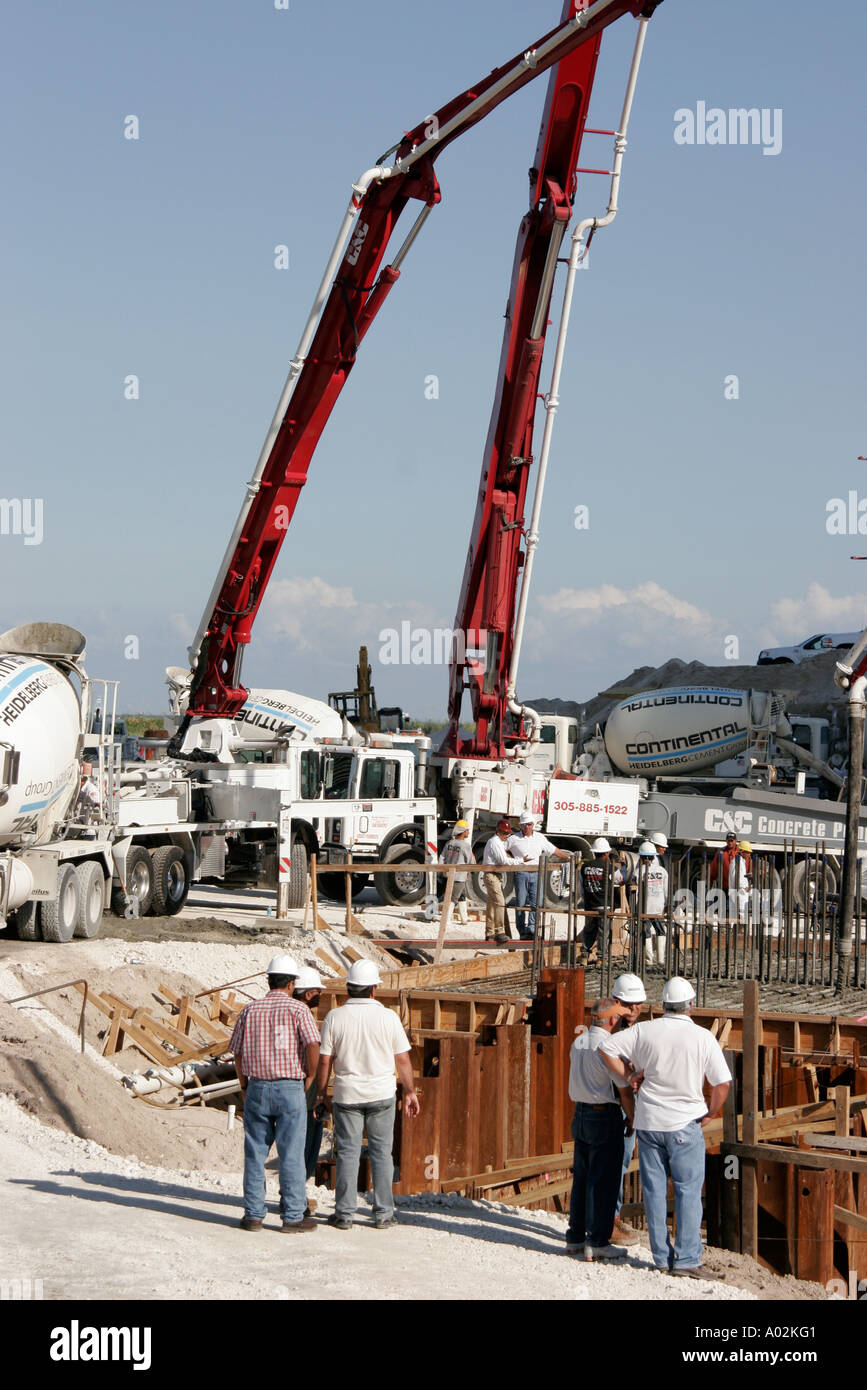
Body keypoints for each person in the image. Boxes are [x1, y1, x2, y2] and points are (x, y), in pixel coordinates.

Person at [597, 976, 732, 1278]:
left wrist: (628, 1076)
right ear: (690, 1006)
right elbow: (722, 1084)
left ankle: (661, 1258)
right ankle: (686, 1260)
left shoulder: (645, 1030)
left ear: (663, 1007)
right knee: (687, 1192)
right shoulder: (701, 1037)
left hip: (649, 1124)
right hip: (684, 1125)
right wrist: (712, 1111)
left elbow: (605, 1048)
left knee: (654, 1192)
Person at [316, 959, 420, 1230]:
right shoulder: (388, 1017)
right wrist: (410, 1091)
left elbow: (325, 1060)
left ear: (349, 988)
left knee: (348, 1153)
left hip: (347, 1095)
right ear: (374, 989)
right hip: (381, 1094)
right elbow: (404, 1060)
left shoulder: (334, 1017)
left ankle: (344, 1214)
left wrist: (320, 1093)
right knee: (382, 1154)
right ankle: (384, 1213)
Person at [229, 953, 320, 1233]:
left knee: (255, 1152)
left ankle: (254, 1215)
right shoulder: (299, 1010)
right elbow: (312, 1045)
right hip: (290, 1087)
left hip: (257, 1086)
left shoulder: (249, 1010)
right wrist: (311, 1075)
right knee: (291, 1152)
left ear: (269, 981)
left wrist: (245, 1085)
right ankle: (292, 1217)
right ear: (292, 984)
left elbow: (237, 1054)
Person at [566, 997, 635, 1261]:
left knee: (582, 1177)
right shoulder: (607, 1046)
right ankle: (597, 1241)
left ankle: (575, 1237)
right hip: (603, 1115)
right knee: (603, 1180)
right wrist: (631, 1118)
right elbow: (624, 1089)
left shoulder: (579, 1041)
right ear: (611, 1020)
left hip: (580, 1113)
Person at [607, 973, 646, 1248]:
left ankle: (612, 1217)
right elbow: (621, 1083)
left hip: (627, 1108)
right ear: (617, 1002)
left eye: (637, 1005)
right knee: (612, 1164)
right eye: (629, 1005)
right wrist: (632, 1114)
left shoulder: (639, 1034)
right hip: (614, 1108)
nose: (633, 1010)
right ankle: (609, 1221)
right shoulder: (609, 1034)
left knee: (619, 1164)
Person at [506, 811, 572, 941]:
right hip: (521, 874)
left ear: (533, 824)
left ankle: (532, 929)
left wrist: (570, 858)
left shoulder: (540, 838)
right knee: (520, 903)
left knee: (537, 903)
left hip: (536, 874)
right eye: (524, 824)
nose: (526, 827)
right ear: (521, 825)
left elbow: (554, 850)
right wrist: (512, 860)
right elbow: (501, 849)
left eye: (529, 824)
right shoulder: (513, 838)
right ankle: (522, 931)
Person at [293, 966, 325, 1207]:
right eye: (316, 992)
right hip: (304, 1086)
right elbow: (313, 1050)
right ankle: (295, 1195)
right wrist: (315, 1081)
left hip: (285, 1085)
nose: (320, 996)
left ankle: (292, 1193)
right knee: (305, 1140)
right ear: (307, 994)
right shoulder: (302, 1015)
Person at [579, 837, 623, 961]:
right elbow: (619, 880)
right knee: (604, 932)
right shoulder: (610, 867)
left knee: (589, 930)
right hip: (605, 905)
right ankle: (601, 958)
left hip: (590, 905)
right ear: (607, 853)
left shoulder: (584, 867)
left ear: (594, 852)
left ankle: (584, 956)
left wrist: (587, 899)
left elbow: (581, 888)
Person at [629, 840, 669, 968]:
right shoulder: (662, 871)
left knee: (645, 933)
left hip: (644, 908)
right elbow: (666, 890)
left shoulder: (638, 872)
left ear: (640, 857)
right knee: (661, 931)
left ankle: (648, 960)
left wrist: (634, 909)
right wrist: (667, 905)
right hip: (658, 907)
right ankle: (661, 959)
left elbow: (634, 893)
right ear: (653, 856)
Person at [482, 819, 517, 943]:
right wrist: (518, 861)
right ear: (499, 832)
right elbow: (503, 860)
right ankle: (499, 931)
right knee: (500, 902)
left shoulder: (496, 842)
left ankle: (490, 932)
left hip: (493, 875)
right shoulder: (495, 843)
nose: (507, 836)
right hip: (492, 875)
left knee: (492, 904)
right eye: (505, 833)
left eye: (507, 834)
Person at [441, 819, 474, 926]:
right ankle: (446, 919)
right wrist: (470, 870)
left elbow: (442, 857)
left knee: (461, 895)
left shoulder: (449, 843)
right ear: (463, 832)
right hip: (460, 876)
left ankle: (464, 918)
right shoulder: (465, 846)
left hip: (450, 875)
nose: (468, 832)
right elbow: (471, 862)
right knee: (453, 898)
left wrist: (442, 869)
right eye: (467, 830)